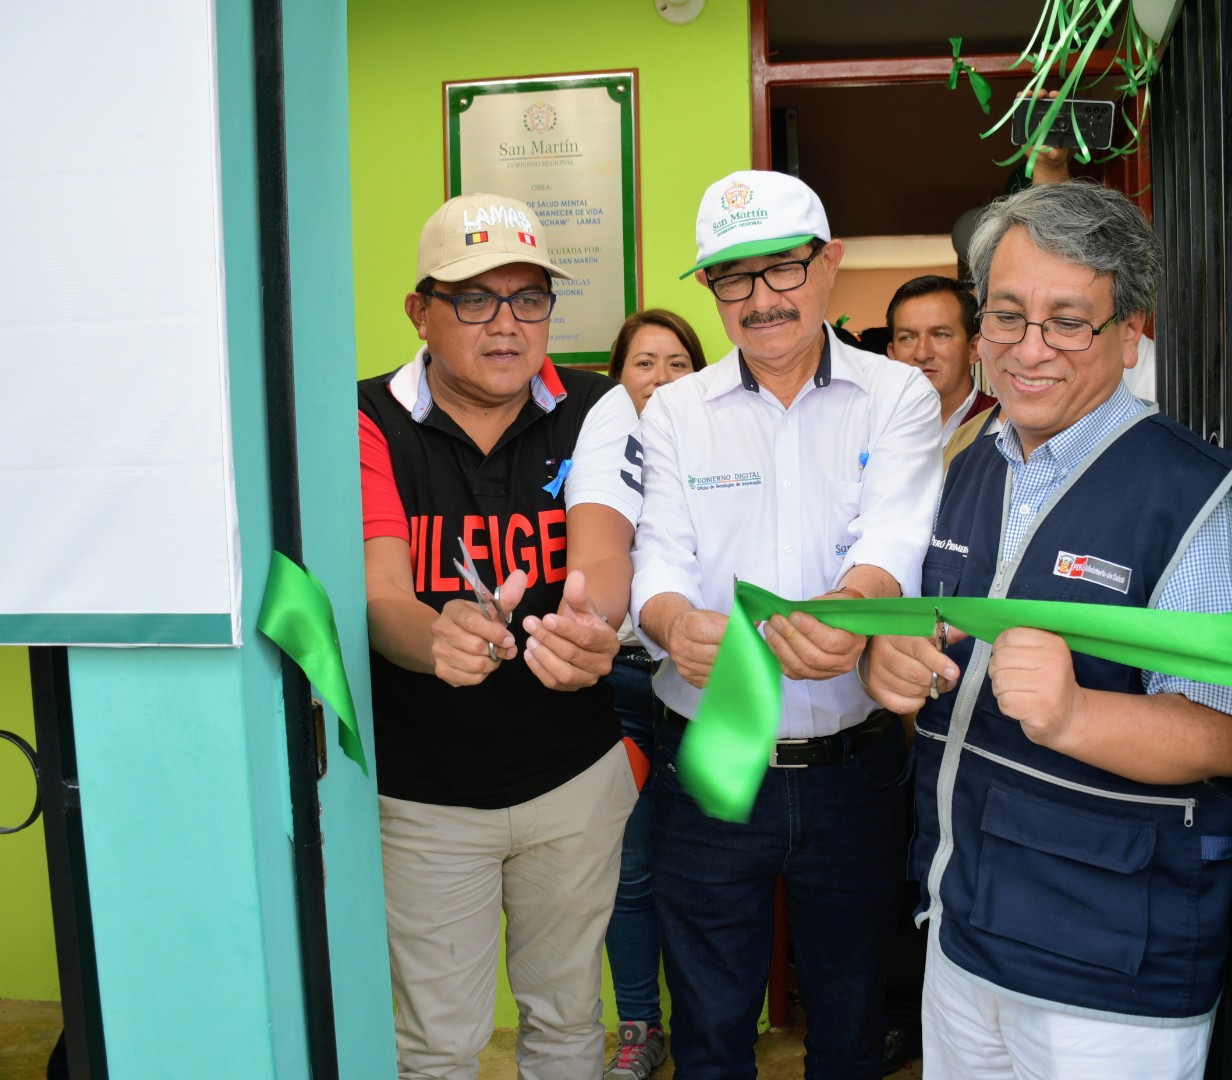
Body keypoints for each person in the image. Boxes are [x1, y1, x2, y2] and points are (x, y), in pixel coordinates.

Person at [862, 180, 1232, 1080]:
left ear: (1129, 334)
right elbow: (932, 646)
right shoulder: (970, 467)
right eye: (1006, 316)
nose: (1029, 350)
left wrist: (1076, 716)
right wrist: (890, 665)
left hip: (1105, 973)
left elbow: (1227, 735)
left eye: (1068, 321)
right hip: (962, 930)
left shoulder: (1183, 499)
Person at [630, 169, 943, 1079]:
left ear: (829, 265)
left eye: (784, 270)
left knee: (849, 1017)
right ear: (710, 292)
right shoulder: (680, 410)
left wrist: (856, 605)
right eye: (733, 278)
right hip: (715, 745)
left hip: (854, 760)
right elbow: (659, 550)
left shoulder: (896, 396)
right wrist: (668, 619)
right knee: (711, 1019)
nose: (762, 299)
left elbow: (896, 530)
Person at [359, 192, 644, 1079]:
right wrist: (429, 636)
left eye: (529, 299)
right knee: (438, 1044)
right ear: (421, 311)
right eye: (475, 299)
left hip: (571, 780)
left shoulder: (595, 405)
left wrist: (592, 624)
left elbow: (602, 551)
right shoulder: (367, 415)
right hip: (425, 794)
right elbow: (382, 595)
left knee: (566, 1022)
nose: (507, 324)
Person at [600, 308, 707, 1080]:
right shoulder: (589, 460)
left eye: (679, 363)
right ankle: (641, 1023)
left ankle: (709, 1024)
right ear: (618, 378)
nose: (662, 378)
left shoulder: (717, 456)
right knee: (629, 870)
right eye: (644, 363)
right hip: (616, 685)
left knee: (706, 867)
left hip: (696, 686)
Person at [884, 275, 999, 466]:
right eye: (907, 337)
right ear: (892, 354)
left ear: (973, 349)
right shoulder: (873, 428)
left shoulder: (1003, 426)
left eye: (940, 335)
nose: (922, 353)